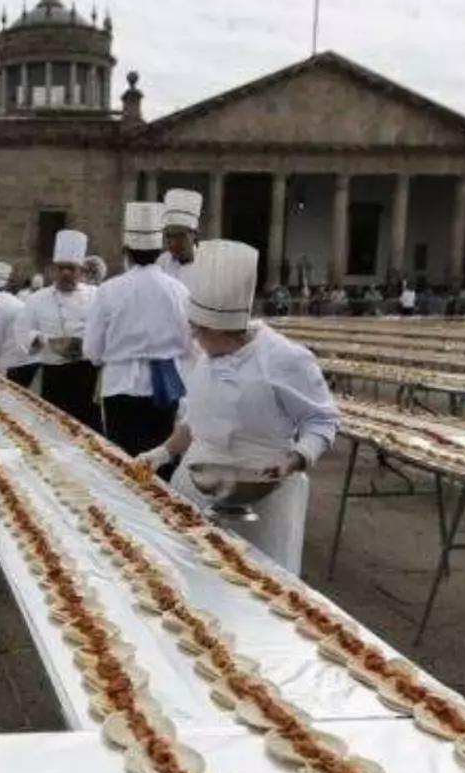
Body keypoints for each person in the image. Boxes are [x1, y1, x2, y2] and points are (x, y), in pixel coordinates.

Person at [135, 241, 340, 573]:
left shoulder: (286, 359)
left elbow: (321, 420)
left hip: (260, 493)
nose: (195, 339)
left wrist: (295, 459)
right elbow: (195, 420)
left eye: (200, 332)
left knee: (257, 584)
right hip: (198, 483)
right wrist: (161, 453)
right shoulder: (208, 356)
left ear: (223, 330)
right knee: (189, 577)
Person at [86, 201, 191, 457]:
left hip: (120, 385)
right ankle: (159, 497)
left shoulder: (109, 290)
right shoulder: (179, 290)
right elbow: (189, 344)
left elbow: (92, 350)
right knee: (159, 460)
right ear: (160, 250)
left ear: (126, 252)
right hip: (166, 386)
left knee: (124, 460)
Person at [24, 229, 102, 430]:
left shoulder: (97, 295)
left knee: (89, 431)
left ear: (81, 271)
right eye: (61, 268)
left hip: (87, 375)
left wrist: (85, 344)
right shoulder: (36, 299)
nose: (66, 273)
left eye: (71, 268)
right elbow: (22, 332)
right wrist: (46, 340)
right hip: (54, 375)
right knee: (55, 429)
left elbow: (107, 328)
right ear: (52, 270)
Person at [158, 188, 204, 278]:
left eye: (180, 236)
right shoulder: (160, 265)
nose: (174, 243)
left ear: (195, 236)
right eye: (169, 236)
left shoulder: (208, 265)